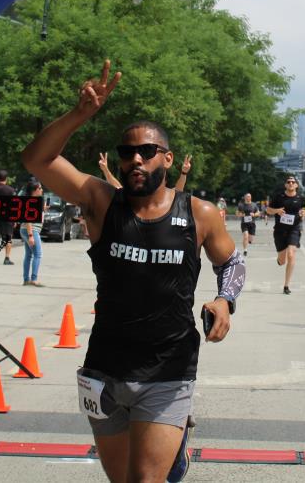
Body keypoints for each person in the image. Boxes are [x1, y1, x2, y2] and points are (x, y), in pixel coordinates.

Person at [21, 59, 244, 483]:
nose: (136, 159)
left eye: (147, 151)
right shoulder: (101, 202)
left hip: (168, 370)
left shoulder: (199, 214)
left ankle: (171, 447)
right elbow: (36, 159)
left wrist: (225, 299)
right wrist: (79, 115)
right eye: (127, 153)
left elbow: (231, 261)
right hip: (105, 368)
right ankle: (174, 455)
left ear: (168, 158)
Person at [267, 176, 305, 295]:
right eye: (288, 182)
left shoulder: (301, 198)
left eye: (293, 182)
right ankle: (280, 259)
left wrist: (304, 212)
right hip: (280, 231)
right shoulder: (279, 197)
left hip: (294, 229)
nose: (291, 183)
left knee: (291, 254)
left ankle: (286, 285)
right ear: (285, 185)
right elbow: (268, 210)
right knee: (282, 261)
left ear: (296, 185)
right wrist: (277, 211)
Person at [22, 181, 46, 287]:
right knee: (38, 254)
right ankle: (34, 279)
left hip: (25, 230)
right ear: (34, 190)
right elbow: (28, 219)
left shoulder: (33, 201)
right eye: (40, 188)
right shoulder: (32, 202)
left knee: (28, 255)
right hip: (31, 230)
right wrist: (31, 235)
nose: (42, 190)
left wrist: (43, 210)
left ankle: (26, 280)